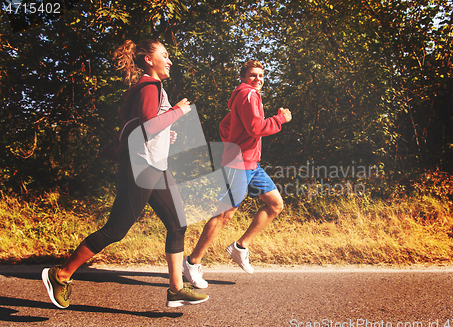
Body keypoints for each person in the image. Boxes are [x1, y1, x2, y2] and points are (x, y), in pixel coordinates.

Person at [41, 39, 209, 308]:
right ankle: (60, 275)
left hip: (156, 165)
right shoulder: (150, 86)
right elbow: (149, 126)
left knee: (177, 223)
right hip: (141, 166)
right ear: (148, 60)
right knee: (116, 229)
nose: (169, 61)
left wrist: (168, 133)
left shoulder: (154, 87)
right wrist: (178, 111)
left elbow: (150, 126)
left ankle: (176, 288)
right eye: (164, 56)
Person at [182, 60, 292, 288]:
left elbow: (225, 126)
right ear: (243, 77)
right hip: (238, 165)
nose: (258, 79)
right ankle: (192, 263)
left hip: (251, 164)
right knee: (224, 215)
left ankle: (240, 246)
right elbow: (256, 127)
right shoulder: (249, 94)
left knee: (275, 205)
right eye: (253, 75)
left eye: (261, 76)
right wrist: (280, 119)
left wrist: (234, 143)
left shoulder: (242, 97)